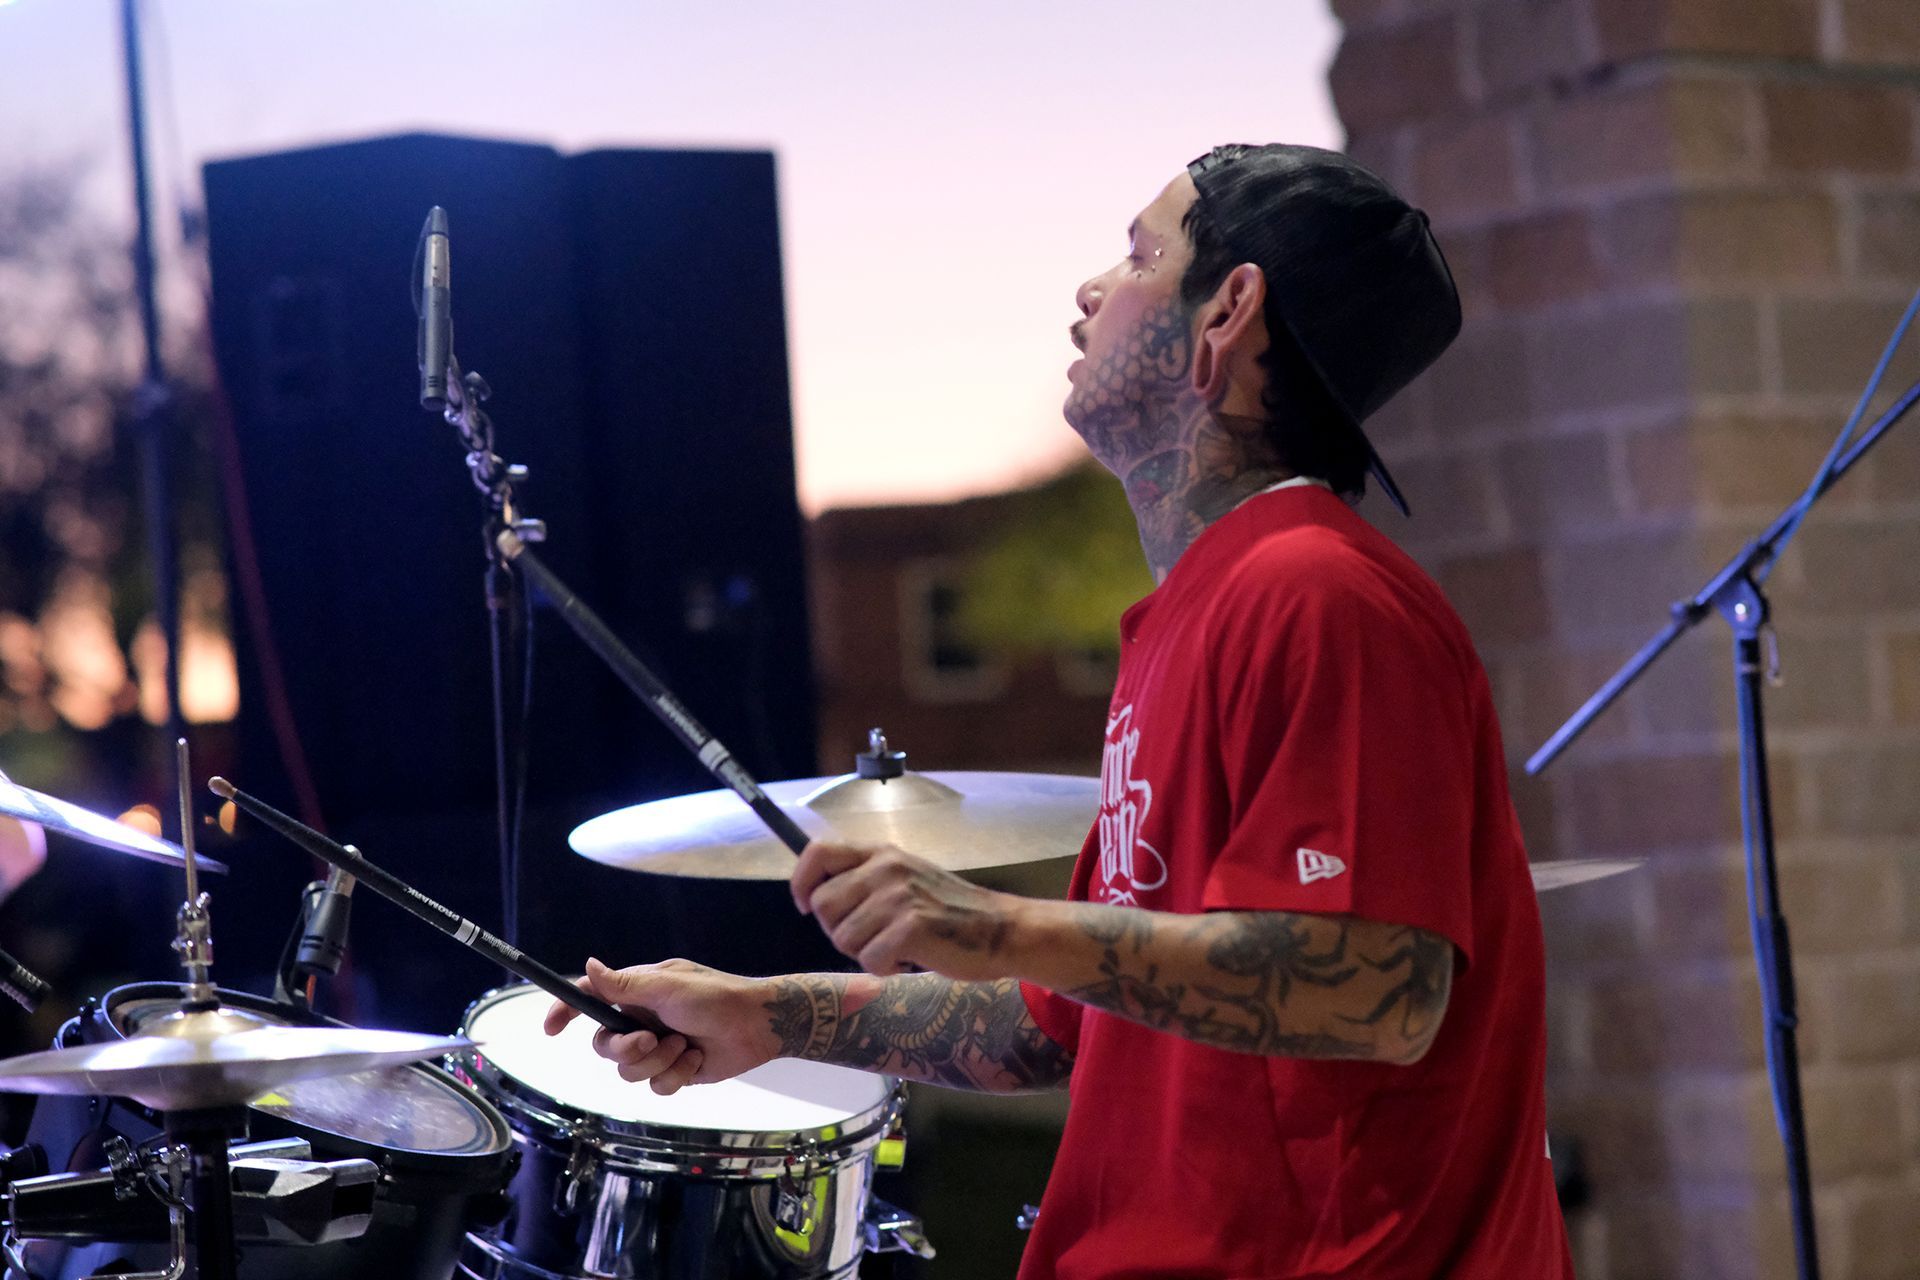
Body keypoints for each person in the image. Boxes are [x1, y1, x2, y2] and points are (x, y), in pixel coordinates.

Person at [546, 143, 1574, 1278]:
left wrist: (988, 920)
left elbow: (1383, 988)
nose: (1093, 287)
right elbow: (1051, 1019)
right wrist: (762, 1013)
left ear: (1227, 311)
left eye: (1142, 253)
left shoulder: (1321, 594)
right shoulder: (1195, 614)